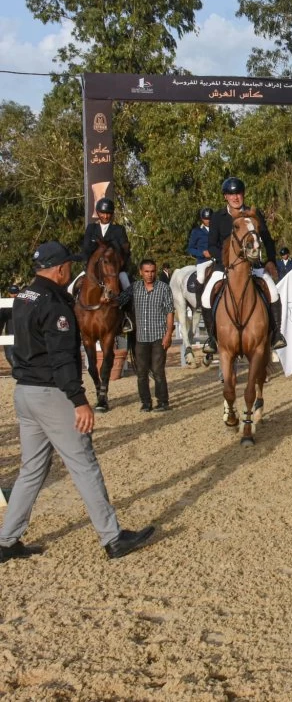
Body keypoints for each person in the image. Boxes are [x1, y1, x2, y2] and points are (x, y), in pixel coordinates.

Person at [0, 241, 155, 564]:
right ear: (59, 269)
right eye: (68, 265)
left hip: (25, 392)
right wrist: (79, 399)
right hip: (52, 393)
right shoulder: (56, 305)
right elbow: (61, 359)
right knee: (84, 464)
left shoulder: (24, 298)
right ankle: (112, 537)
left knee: (31, 470)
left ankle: (6, 540)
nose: (71, 269)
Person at [196, 177, 286, 353]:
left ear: (243, 194)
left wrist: (270, 261)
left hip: (253, 265)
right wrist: (225, 261)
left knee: (273, 292)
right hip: (225, 267)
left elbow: (267, 239)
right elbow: (212, 245)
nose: (235, 197)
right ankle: (212, 339)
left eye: (238, 193)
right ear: (225, 197)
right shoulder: (218, 217)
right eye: (231, 194)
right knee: (206, 297)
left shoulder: (254, 214)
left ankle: (276, 335)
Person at [74, 197, 134, 333]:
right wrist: (99, 245)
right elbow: (86, 248)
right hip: (94, 270)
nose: (105, 216)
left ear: (112, 214)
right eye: (103, 213)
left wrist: (110, 245)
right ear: (98, 213)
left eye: (108, 213)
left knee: (127, 286)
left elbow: (124, 249)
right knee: (71, 287)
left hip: (113, 269)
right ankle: (74, 315)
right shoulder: (91, 228)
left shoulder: (118, 229)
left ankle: (126, 317)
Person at [131, 259, 174, 412]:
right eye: (146, 271)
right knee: (141, 372)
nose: (150, 275)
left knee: (158, 371)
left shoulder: (163, 288)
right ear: (140, 272)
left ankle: (163, 402)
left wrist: (168, 334)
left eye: (152, 271)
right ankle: (146, 402)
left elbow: (170, 311)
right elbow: (120, 300)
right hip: (141, 337)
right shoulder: (135, 288)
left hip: (158, 336)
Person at [1, 284, 18, 366]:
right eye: (12, 293)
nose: (14, 295)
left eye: (16, 293)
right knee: (9, 356)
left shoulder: (23, 304)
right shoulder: (5, 305)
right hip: (10, 333)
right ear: (9, 293)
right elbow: (1, 320)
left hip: (22, 335)